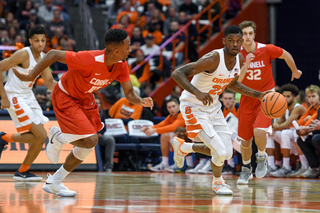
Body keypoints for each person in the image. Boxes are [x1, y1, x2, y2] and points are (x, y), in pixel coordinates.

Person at [14, 29, 153, 197]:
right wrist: (31, 76)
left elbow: (130, 93)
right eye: (128, 46)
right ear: (116, 50)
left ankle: (54, 181)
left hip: (85, 98)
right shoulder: (89, 58)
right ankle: (58, 136)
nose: (131, 49)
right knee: (91, 139)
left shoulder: (121, 65)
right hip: (66, 95)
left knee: (89, 145)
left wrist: (141, 100)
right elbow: (53, 54)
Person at [170, 25, 267, 195]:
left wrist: (258, 95)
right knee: (219, 151)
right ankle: (217, 183)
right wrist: (197, 92)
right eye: (231, 41)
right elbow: (178, 73)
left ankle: (184, 148)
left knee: (227, 153)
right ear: (224, 41)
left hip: (213, 107)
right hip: (194, 105)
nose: (235, 44)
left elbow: (232, 84)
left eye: (239, 41)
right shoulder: (213, 58)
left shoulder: (240, 60)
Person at [236, 20, 302, 184]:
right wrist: (246, 63)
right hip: (247, 96)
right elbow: (237, 81)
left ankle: (261, 157)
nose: (248, 36)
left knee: (259, 131)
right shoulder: (237, 54)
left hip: (267, 97)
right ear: (240, 36)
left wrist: (295, 70)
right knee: (245, 141)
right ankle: (245, 169)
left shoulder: (266, 49)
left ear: (254, 34)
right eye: (244, 34)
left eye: (250, 33)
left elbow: (286, 54)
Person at [0, 25, 56, 181]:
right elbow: (0, 67)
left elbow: (50, 82)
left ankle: (22, 171)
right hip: (14, 95)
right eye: (37, 40)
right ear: (30, 41)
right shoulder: (23, 54)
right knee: (40, 135)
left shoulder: (44, 57)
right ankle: (5, 139)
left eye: (43, 40)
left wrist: (68, 88)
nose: (40, 43)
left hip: (28, 95)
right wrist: (3, 96)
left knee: (40, 138)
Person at [266, 84, 307, 177]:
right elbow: (279, 121)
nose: (285, 98)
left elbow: (286, 124)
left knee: (285, 132)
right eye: (283, 96)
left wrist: (277, 126)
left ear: (294, 98)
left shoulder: (298, 108)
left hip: (303, 137)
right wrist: (275, 125)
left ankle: (286, 167)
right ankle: (272, 165)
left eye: (288, 96)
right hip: (292, 137)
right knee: (269, 133)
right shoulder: (284, 108)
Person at [141, 98, 185, 172]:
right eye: (169, 107)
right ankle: (164, 163)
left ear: (178, 106)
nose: (171, 109)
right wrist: (149, 128)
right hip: (185, 140)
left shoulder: (182, 114)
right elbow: (161, 125)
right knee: (164, 135)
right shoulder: (170, 117)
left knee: (176, 135)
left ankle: (179, 164)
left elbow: (174, 127)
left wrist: (154, 130)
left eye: (173, 106)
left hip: (193, 139)